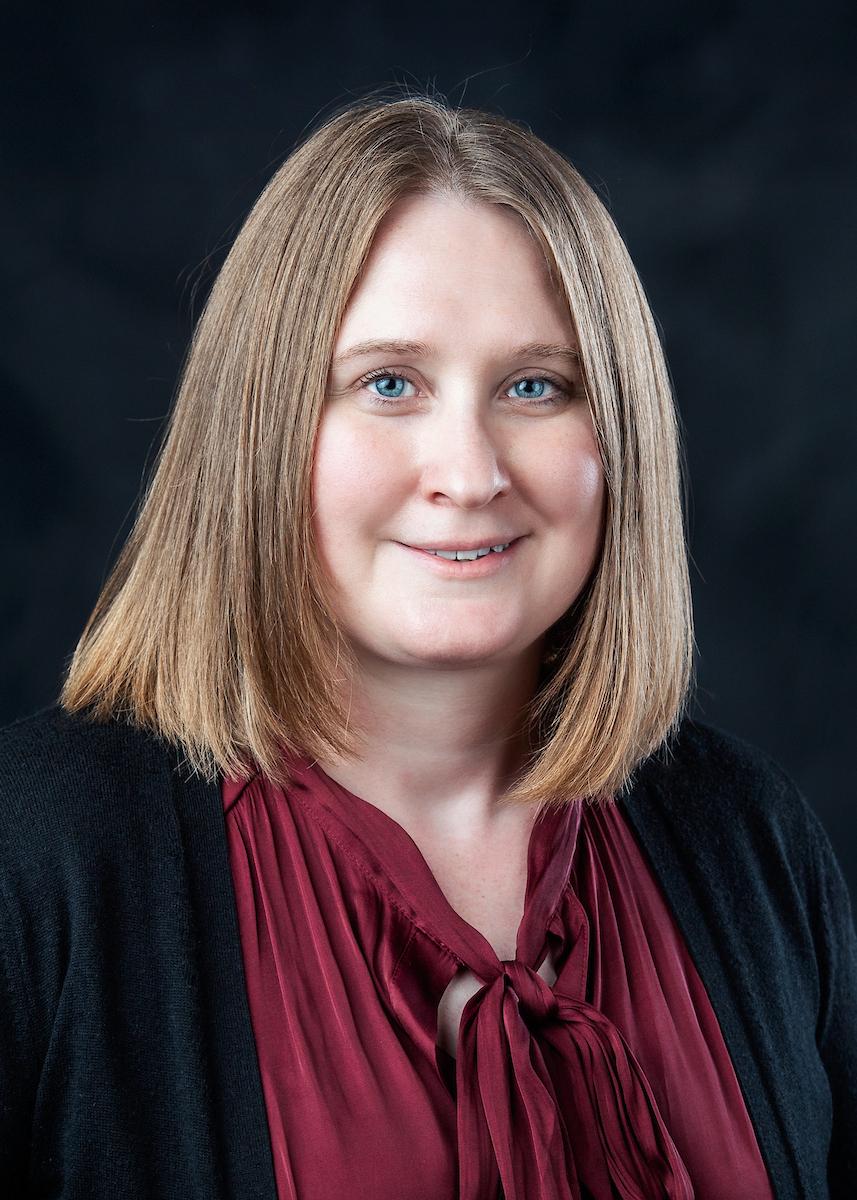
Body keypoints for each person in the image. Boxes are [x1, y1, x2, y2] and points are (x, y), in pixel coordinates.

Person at [1, 91, 855, 1200]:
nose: (468, 472)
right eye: (387, 384)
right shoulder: (38, 856)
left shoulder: (747, 845)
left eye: (534, 387)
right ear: (259, 429)